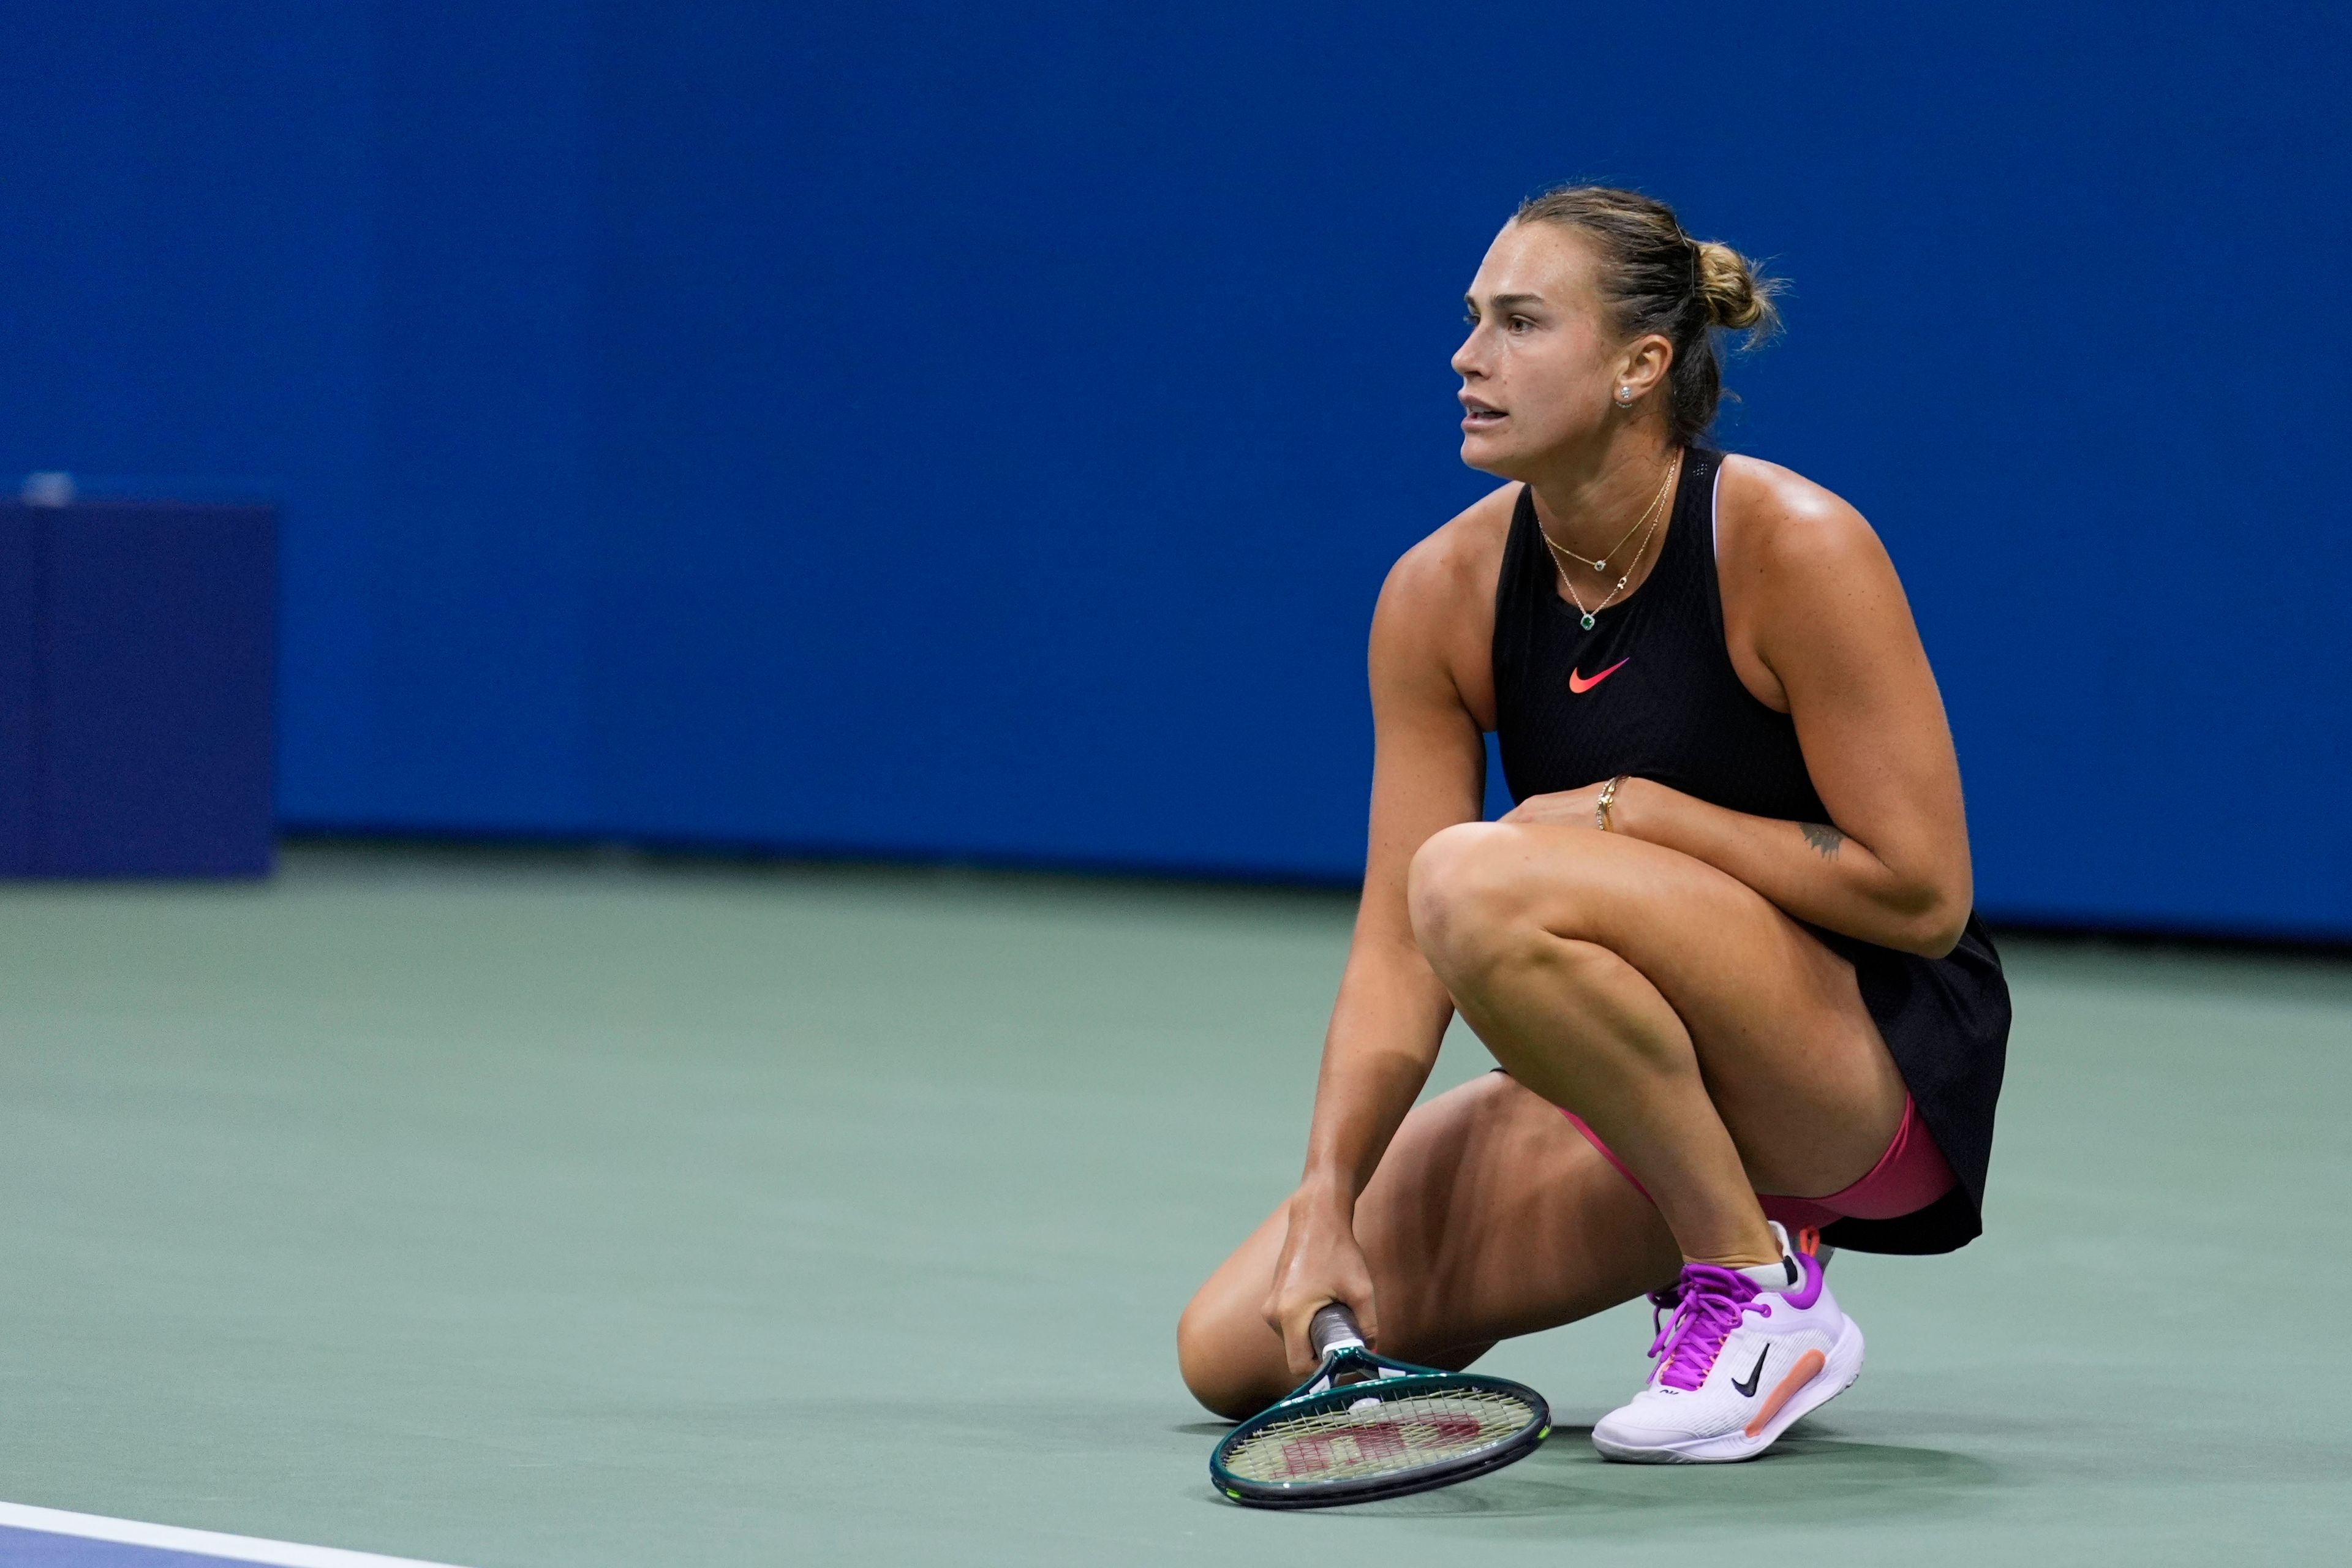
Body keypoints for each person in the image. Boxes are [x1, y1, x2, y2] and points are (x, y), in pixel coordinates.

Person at [1175, 185, 2010, 1463]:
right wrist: (1326, 1196)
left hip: (1860, 1077)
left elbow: (1922, 894)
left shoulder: (1791, 544)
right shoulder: (1438, 593)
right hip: (1626, 1075)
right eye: (1470, 321)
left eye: (1518, 322)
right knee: (1237, 1344)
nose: (1467, 357)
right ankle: (1724, 1239)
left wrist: (1639, 812)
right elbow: (1396, 953)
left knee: (1472, 877)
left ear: (1640, 364)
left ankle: (1751, 1287)